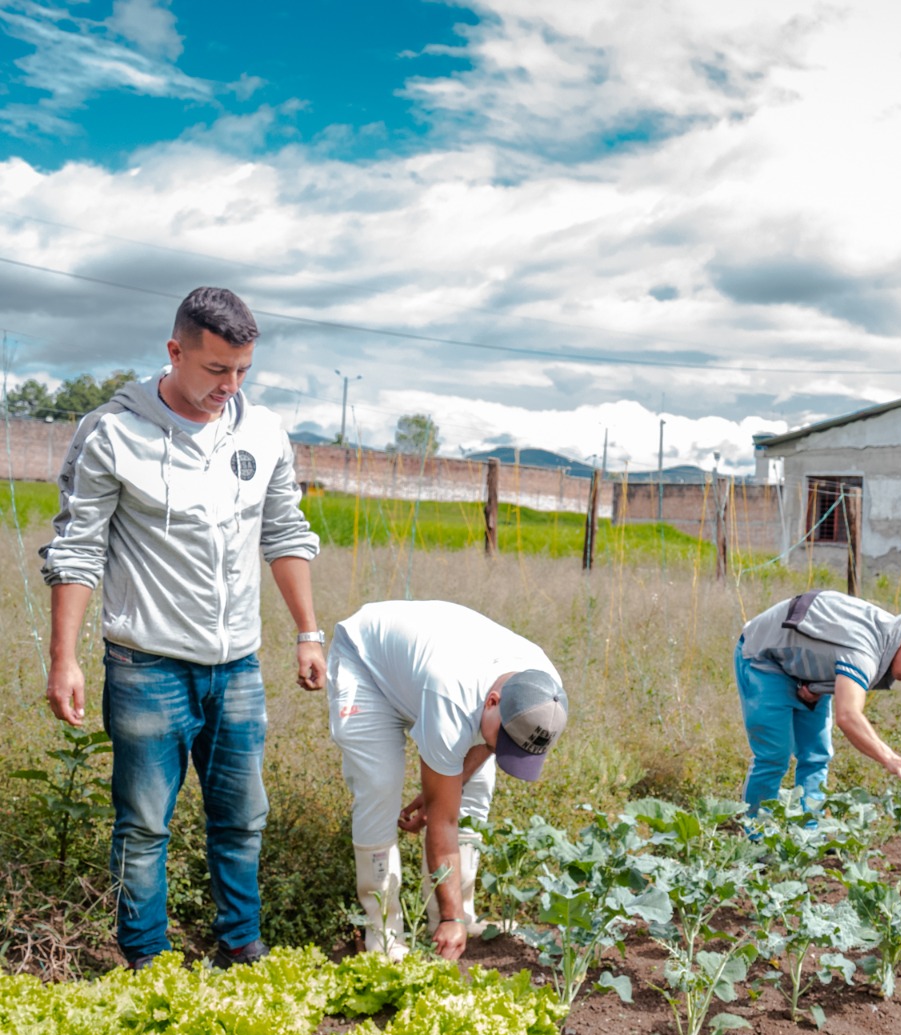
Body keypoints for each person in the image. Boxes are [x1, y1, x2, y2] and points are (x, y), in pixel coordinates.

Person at [40, 287, 324, 970]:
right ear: (175, 352)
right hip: (147, 667)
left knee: (243, 820)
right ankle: (147, 964)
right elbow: (78, 549)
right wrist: (65, 659)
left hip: (239, 669)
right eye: (215, 370)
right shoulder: (112, 432)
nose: (229, 386)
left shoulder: (262, 434)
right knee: (142, 827)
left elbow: (284, 532)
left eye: (242, 372)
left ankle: (241, 948)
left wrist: (309, 632)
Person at [327, 601, 568, 961]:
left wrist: (446, 785)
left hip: (424, 674)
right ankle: (383, 932)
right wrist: (439, 795)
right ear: (492, 701)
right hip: (367, 665)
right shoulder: (452, 693)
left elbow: (486, 747)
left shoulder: (543, 693)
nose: (501, 750)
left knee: (476, 788)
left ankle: (452, 920)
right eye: (503, 742)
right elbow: (444, 820)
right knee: (381, 785)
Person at [735, 590, 901, 816]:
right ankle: (757, 833)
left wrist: (820, 685)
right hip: (764, 657)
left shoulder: (889, 637)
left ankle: (808, 834)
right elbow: (848, 716)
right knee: (775, 755)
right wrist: (891, 758)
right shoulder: (864, 652)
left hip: (804, 671)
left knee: (816, 755)